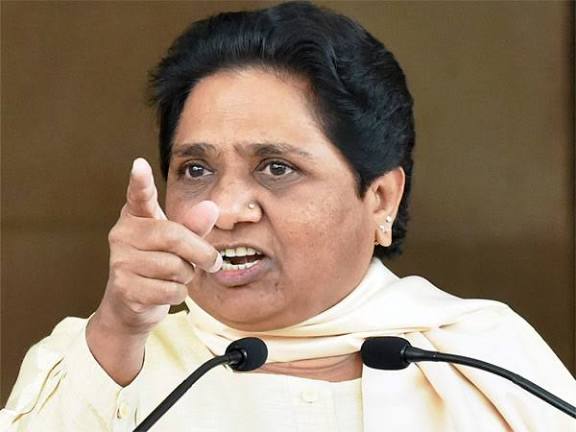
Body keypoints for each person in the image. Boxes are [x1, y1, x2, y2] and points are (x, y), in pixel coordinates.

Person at [1, 2, 575, 431]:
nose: (226, 210)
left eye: (276, 168)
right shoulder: (104, 359)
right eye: (196, 170)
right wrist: (118, 330)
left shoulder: (486, 360)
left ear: (380, 199)